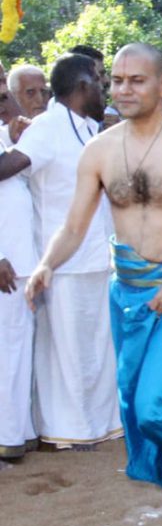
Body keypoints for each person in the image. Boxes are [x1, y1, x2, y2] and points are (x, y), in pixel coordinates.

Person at [27, 42, 162, 526]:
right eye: (116, 80)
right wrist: (47, 264)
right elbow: (73, 226)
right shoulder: (98, 150)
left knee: (158, 404)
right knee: (140, 409)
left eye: (136, 80)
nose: (123, 89)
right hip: (130, 295)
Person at [0, 54, 122, 449]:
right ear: (83, 86)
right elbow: (9, 168)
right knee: (66, 355)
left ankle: (97, 425)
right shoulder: (48, 128)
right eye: (100, 81)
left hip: (98, 257)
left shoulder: (91, 128)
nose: (105, 89)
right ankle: (67, 432)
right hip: (62, 262)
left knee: (96, 349)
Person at [0, 76, 37, 467]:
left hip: (21, 261)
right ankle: (6, 438)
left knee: (17, 349)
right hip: (5, 264)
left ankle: (18, 432)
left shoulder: (6, 132)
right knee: (7, 353)